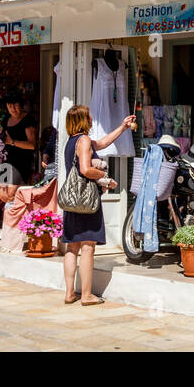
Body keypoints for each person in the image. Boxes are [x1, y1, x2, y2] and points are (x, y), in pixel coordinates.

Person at [60, 105, 125, 305]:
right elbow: (86, 169)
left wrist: (122, 127)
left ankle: (70, 293)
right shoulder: (85, 140)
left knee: (72, 247)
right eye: (89, 116)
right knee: (88, 246)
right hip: (87, 201)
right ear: (83, 120)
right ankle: (87, 295)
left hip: (73, 201)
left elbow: (103, 143)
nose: (91, 118)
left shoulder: (72, 142)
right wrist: (106, 178)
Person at [1, 94, 38, 185]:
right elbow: (0, 136)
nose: (13, 108)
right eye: (10, 106)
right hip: (6, 161)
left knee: (12, 192)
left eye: (15, 105)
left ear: (20, 105)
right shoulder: (6, 119)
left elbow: (32, 145)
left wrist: (12, 142)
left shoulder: (28, 120)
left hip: (21, 162)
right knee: (3, 194)